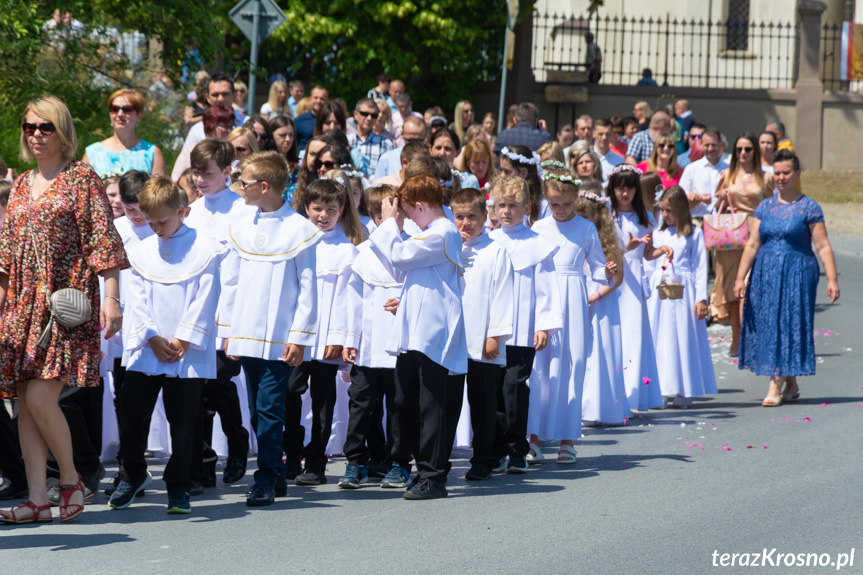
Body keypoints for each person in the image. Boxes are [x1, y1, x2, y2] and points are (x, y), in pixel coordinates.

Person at [0, 95, 126, 524]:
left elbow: (103, 241)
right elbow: (5, 259)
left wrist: (111, 297)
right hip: (20, 307)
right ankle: (37, 499)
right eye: (30, 126)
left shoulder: (81, 179)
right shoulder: (19, 185)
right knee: (23, 401)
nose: (36, 134)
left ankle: (70, 478)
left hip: (63, 305)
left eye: (45, 127)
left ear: (62, 132)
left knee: (40, 396)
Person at [109, 176, 223, 515]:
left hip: (186, 350)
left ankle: (178, 485)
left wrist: (183, 337)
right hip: (150, 346)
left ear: (183, 211)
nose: (156, 228)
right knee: (132, 411)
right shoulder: (142, 251)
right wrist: (151, 336)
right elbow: (137, 297)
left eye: (163, 220)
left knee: (184, 419)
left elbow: (206, 296)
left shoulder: (205, 247)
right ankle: (133, 473)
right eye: (150, 220)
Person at [221, 151, 322, 506]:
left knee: (269, 408)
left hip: (280, 336)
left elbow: (309, 288)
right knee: (256, 408)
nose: (240, 189)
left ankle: (264, 477)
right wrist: (228, 330)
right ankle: (276, 473)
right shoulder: (241, 225)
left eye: (245, 183)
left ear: (265, 187)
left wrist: (299, 337)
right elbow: (231, 281)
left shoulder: (300, 229)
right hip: (246, 332)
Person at [368, 174, 467, 500]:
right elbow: (401, 270)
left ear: (421, 206)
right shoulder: (430, 234)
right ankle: (421, 467)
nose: (406, 217)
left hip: (433, 333)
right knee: (404, 400)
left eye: (408, 211)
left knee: (431, 405)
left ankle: (433, 475)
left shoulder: (443, 234)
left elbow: (398, 256)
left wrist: (387, 221)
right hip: (416, 329)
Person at [735, 150, 839, 406]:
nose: (781, 178)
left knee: (789, 323)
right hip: (765, 273)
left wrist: (833, 278)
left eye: (786, 173)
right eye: (777, 173)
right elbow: (752, 244)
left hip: (798, 273)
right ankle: (790, 382)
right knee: (770, 323)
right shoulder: (765, 206)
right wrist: (740, 278)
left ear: (797, 174)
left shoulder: (809, 207)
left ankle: (775, 384)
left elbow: (823, 245)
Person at [184, 139, 254, 484]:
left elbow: (244, 271)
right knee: (198, 392)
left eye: (207, 173)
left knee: (221, 386)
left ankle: (237, 444)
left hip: (229, 313)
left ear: (227, 172)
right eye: (196, 172)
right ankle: (204, 463)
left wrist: (235, 323)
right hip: (197, 310)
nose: (200, 180)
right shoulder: (193, 211)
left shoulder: (243, 210)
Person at [286, 178, 363, 486]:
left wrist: (339, 337)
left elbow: (348, 299)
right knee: (290, 394)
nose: (323, 215)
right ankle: (290, 456)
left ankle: (316, 462)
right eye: (317, 208)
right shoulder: (295, 243)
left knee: (323, 401)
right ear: (306, 208)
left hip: (327, 339)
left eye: (331, 209)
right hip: (297, 338)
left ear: (341, 211)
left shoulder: (346, 251)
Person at [527, 171, 605, 463]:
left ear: (576, 200)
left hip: (573, 299)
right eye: (555, 204)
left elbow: (596, 265)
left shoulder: (586, 228)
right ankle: (533, 438)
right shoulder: (538, 227)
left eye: (566, 205)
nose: (560, 210)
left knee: (572, 364)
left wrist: (605, 271)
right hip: (544, 298)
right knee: (540, 369)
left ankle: (567, 438)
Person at [489, 176, 562, 472]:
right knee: (492, 390)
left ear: (527, 208)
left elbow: (546, 289)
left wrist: (543, 325)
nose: (506, 211)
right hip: (492, 332)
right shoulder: (489, 241)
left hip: (522, 331)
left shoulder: (538, 245)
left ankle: (517, 450)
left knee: (515, 389)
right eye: (500, 205)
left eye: (512, 206)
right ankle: (492, 450)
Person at [446, 188, 514, 480]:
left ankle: (483, 458)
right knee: (448, 402)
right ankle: (440, 459)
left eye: (472, 216)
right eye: (459, 217)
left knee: (483, 403)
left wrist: (494, 335)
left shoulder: (496, 250)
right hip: (450, 340)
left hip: (483, 339)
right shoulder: (447, 248)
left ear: (485, 216)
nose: (466, 223)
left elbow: (502, 294)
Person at [338, 185, 402, 488]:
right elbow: (352, 301)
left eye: (391, 215)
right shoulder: (361, 254)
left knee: (399, 406)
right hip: (366, 346)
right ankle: (356, 461)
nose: (384, 223)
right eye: (378, 216)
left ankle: (398, 462)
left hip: (400, 347)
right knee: (361, 404)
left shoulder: (411, 248)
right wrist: (350, 339)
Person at [648, 186, 716, 408]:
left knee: (683, 338)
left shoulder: (693, 234)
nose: (666, 215)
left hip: (683, 293)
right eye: (663, 210)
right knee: (661, 338)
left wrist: (701, 298)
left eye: (670, 210)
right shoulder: (657, 234)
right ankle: (660, 388)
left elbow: (699, 268)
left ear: (681, 210)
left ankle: (684, 390)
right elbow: (648, 263)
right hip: (660, 291)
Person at [607, 165, 668, 412]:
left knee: (633, 336)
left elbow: (646, 253)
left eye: (629, 188)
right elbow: (603, 251)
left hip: (634, 283)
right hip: (613, 280)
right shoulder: (607, 216)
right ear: (613, 189)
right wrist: (626, 248)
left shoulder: (647, 219)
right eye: (620, 188)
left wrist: (661, 250)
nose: (624, 193)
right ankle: (612, 394)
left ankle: (633, 396)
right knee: (613, 336)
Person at [711, 132, 774, 357]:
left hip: (758, 235)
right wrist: (721, 195)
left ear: (754, 151)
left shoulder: (765, 178)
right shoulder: (726, 175)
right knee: (731, 291)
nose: (743, 153)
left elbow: (773, 206)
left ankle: (754, 338)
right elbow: (717, 207)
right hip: (730, 238)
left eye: (748, 149)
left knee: (753, 289)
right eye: (739, 149)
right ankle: (737, 338)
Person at [171, 73, 247, 180]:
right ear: (207, 98)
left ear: (233, 95)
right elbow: (185, 168)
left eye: (225, 94)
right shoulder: (197, 130)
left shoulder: (247, 124)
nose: (220, 99)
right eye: (215, 95)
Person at [83, 89, 167, 178]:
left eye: (127, 109)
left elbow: (161, 190)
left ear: (139, 116)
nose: (120, 114)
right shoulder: (92, 153)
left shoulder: (152, 153)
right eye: (115, 109)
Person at [679, 127, 727, 218]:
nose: (710, 148)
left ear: (720, 144)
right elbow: (680, 200)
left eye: (714, 145)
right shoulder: (691, 169)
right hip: (697, 221)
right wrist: (697, 199)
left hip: (722, 221)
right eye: (707, 145)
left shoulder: (728, 169)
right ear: (701, 145)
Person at [347, 97, 394, 176]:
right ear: (355, 114)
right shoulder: (346, 140)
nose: (369, 118)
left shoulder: (386, 144)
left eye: (374, 115)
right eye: (365, 114)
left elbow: (389, 173)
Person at [373, 116, 428, 180]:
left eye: (419, 141)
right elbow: (376, 187)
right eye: (410, 140)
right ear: (402, 134)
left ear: (426, 136)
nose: (414, 144)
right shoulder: (387, 159)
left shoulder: (431, 158)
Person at [296, 86, 329, 152]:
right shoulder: (299, 120)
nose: (318, 101)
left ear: (327, 101)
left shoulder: (330, 121)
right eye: (315, 98)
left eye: (322, 99)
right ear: (310, 99)